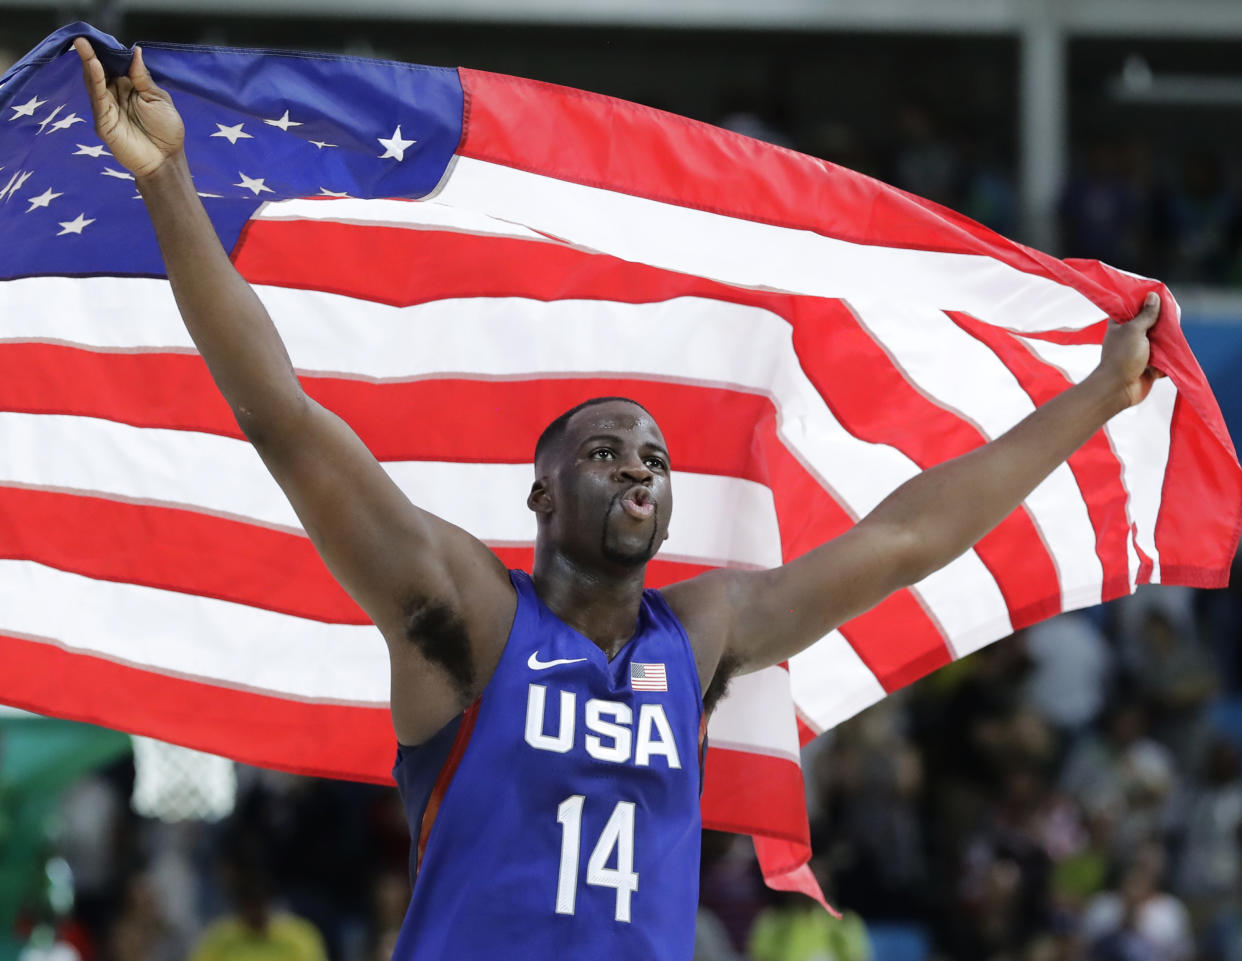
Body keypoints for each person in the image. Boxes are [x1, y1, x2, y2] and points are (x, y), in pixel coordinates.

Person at [72, 37, 1166, 961]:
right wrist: (169, 180)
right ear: (541, 492)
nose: (640, 466)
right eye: (607, 451)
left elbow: (907, 535)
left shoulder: (703, 632)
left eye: (654, 456)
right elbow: (284, 419)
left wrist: (1098, 395)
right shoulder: (469, 613)